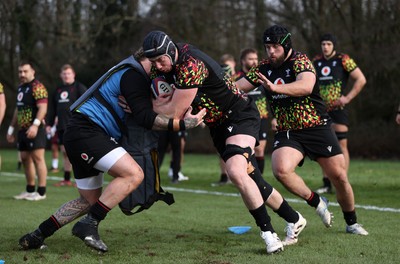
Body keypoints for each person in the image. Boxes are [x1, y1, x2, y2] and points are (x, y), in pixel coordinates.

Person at [18, 50, 205, 252]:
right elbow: (146, 118)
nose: (157, 67)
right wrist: (182, 124)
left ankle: (38, 234)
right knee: (133, 174)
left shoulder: (128, 72)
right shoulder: (133, 74)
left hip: (80, 132)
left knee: (89, 201)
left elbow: (147, 110)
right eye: (154, 62)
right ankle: (89, 225)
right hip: (88, 131)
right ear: (143, 59)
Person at [143, 30, 308, 254]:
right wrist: (162, 104)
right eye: (153, 62)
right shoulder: (159, 64)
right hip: (217, 124)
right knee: (252, 179)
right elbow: (164, 102)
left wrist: (152, 107)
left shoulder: (191, 64)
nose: (158, 66)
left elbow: (175, 111)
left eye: (161, 60)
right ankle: (294, 218)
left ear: (170, 51)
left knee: (236, 171)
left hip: (239, 114)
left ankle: (269, 234)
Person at [236, 25, 368, 236]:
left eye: (275, 47)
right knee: (280, 170)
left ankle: (351, 222)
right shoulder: (263, 68)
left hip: (316, 126)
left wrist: (276, 88)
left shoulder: (301, 61)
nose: (271, 52)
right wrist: (212, 89)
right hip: (288, 130)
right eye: (267, 47)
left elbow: (305, 86)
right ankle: (316, 201)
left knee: (339, 177)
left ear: (286, 45)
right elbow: (237, 87)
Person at [313, 34, 367, 194]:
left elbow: (361, 79)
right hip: (320, 110)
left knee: (342, 145)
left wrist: (347, 98)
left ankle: (342, 180)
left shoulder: (343, 59)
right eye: (323, 43)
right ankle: (326, 183)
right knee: (323, 145)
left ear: (334, 45)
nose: (325, 47)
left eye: (328, 44)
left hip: (338, 110)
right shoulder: (316, 61)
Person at [7, 61, 48, 201]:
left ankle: (41, 192)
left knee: (38, 159)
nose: (22, 74)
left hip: (36, 129)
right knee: (25, 158)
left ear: (33, 72)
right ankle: (30, 190)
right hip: (22, 130)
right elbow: (17, 109)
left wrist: (35, 125)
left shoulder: (38, 87)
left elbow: (43, 108)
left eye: (25, 71)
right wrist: (11, 128)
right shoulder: (20, 88)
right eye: (20, 72)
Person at [46, 64, 87, 186]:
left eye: (68, 73)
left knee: (78, 153)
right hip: (62, 127)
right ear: (61, 75)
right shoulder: (58, 90)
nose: (66, 76)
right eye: (64, 74)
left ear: (73, 74)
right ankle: (67, 179)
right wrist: (49, 123)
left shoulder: (79, 87)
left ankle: (83, 180)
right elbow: (52, 109)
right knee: (65, 152)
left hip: (77, 126)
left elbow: (88, 105)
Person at [235, 48, 270, 175]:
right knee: (247, 151)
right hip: (244, 119)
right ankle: (246, 177)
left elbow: (270, 98)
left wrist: (275, 117)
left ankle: (259, 180)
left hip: (262, 117)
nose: (254, 61)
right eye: (251, 59)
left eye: (256, 59)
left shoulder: (262, 76)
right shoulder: (236, 79)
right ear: (243, 61)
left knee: (260, 150)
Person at [212, 54, 237, 186]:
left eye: (229, 65)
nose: (227, 68)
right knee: (221, 149)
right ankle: (224, 176)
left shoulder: (241, 78)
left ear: (234, 64)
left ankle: (240, 175)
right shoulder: (218, 79)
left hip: (236, 118)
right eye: (224, 66)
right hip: (221, 118)